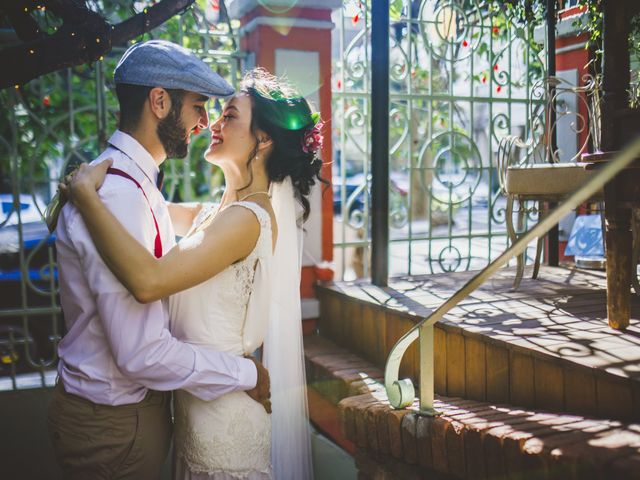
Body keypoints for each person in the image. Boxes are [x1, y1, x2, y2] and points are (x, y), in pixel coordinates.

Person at [62, 68, 325, 479]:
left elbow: (148, 280)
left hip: (225, 429)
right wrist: (84, 193)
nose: (213, 124)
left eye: (230, 116)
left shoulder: (246, 221)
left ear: (264, 139)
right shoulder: (213, 216)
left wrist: (85, 196)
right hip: (194, 417)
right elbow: (135, 207)